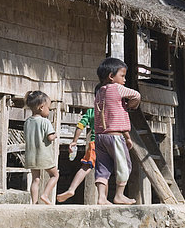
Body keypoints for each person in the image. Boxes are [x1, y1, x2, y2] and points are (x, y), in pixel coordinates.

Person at [94, 57, 141, 205]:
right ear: (111, 76)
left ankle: (101, 197)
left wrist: (127, 136)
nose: (125, 79)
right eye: (122, 75)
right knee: (124, 165)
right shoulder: (117, 88)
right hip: (115, 137)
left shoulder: (99, 92)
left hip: (100, 137)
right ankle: (119, 195)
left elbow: (114, 118)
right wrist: (131, 105)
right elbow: (136, 95)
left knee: (103, 167)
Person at [56, 90, 98, 203]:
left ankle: (71, 189)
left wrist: (74, 141)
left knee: (85, 167)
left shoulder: (91, 112)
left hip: (94, 143)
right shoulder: (111, 110)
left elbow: (80, 125)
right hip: (107, 143)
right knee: (105, 171)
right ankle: (103, 197)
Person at [23, 90, 59, 204]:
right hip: (44, 155)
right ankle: (45, 195)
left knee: (35, 179)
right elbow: (50, 137)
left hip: (31, 156)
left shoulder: (27, 122)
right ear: (42, 107)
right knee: (54, 175)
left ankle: (34, 202)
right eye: (49, 108)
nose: (49, 110)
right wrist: (55, 135)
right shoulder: (45, 122)